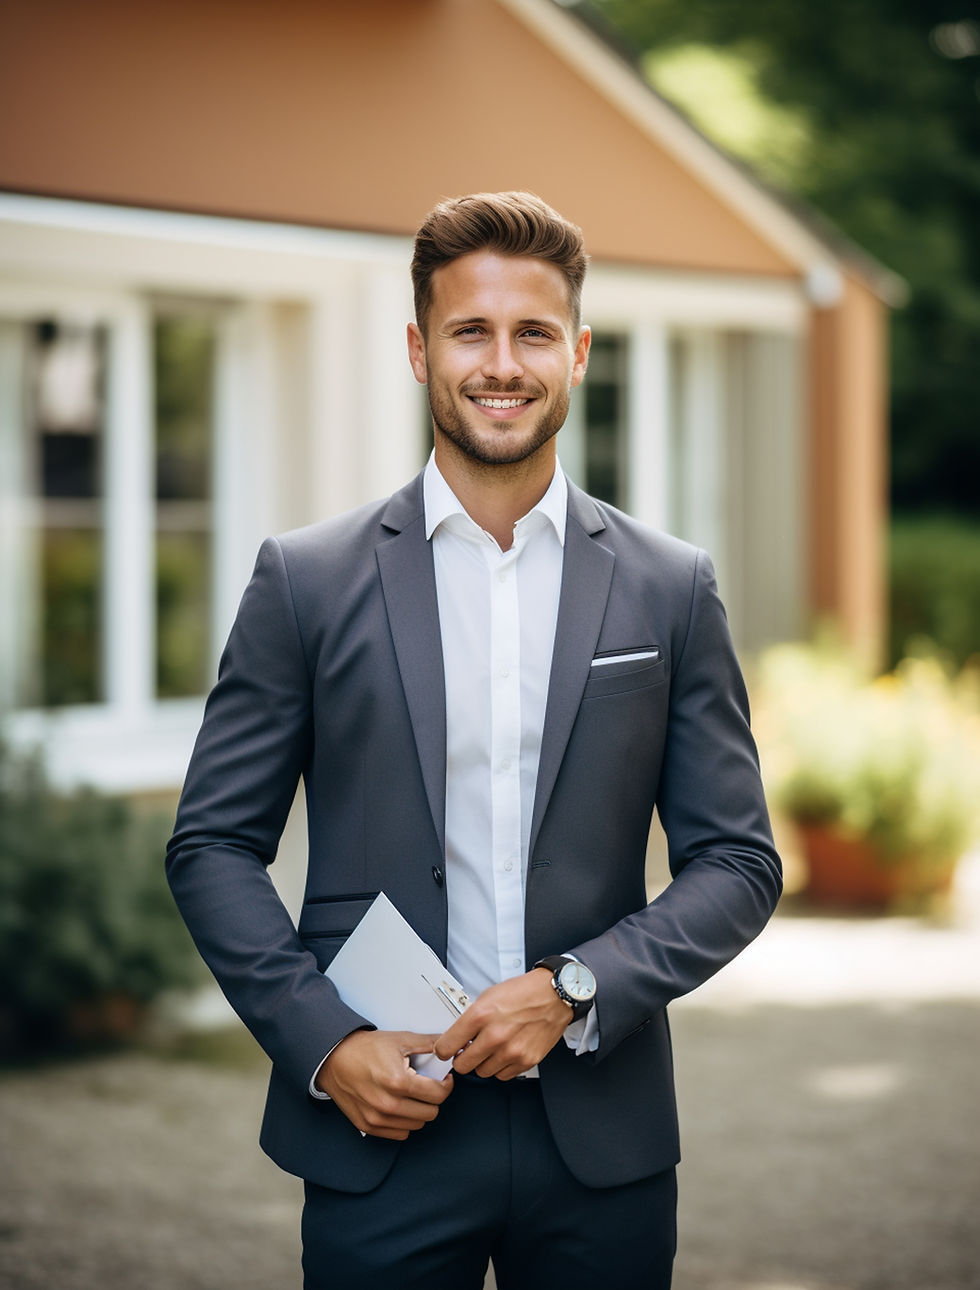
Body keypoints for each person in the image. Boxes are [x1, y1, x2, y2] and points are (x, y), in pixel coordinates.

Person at [166, 191, 782, 1289]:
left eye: (533, 332)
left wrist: (576, 988)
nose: (502, 364)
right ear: (418, 349)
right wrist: (322, 1044)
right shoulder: (305, 582)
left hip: (603, 1141)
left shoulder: (668, 586)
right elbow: (212, 844)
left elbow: (737, 862)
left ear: (578, 352)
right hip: (382, 1132)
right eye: (470, 331)